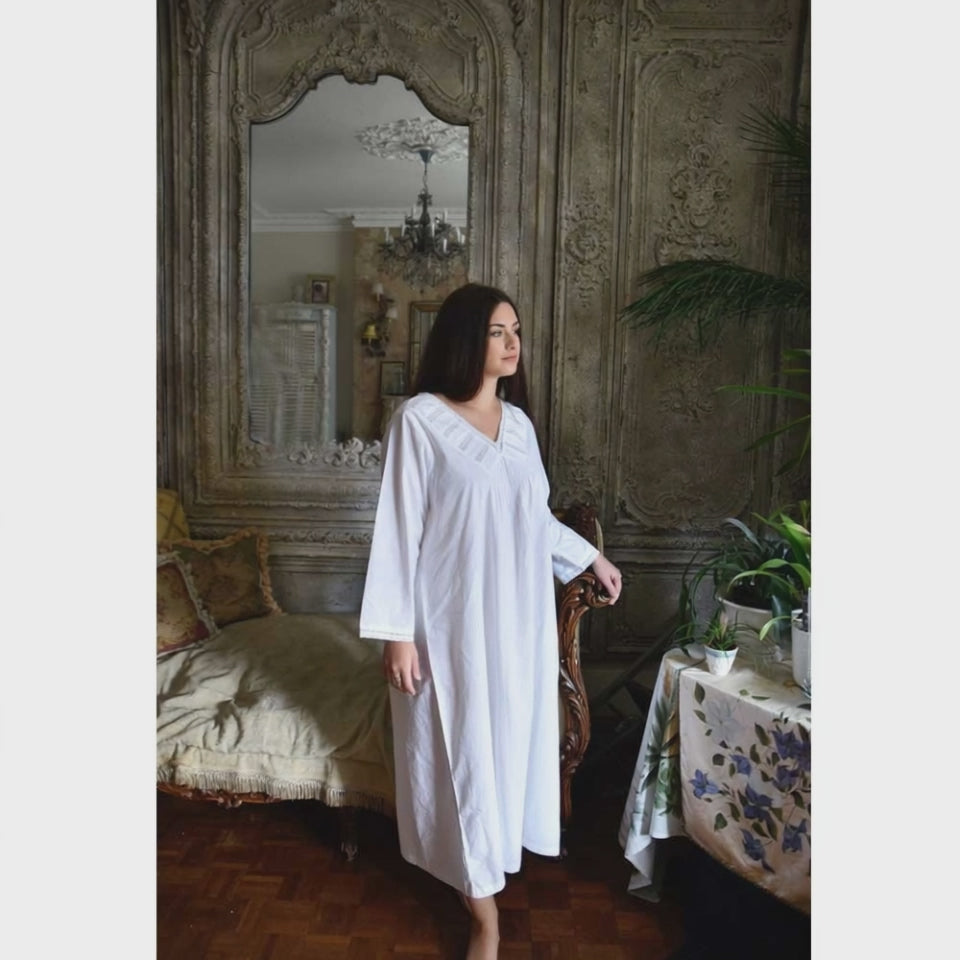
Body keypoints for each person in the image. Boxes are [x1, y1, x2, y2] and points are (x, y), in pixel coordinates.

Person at [359, 283, 622, 960]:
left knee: (504, 749)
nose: (513, 344)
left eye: (517, 331)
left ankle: (488, 872)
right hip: (448, 625)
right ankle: (484, 917)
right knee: (461, 755)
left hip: (516, 623)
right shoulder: (420, 420)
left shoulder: (519, 426)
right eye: (498, 331)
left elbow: (533, 519)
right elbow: (398, 529)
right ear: (465, 338)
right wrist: (396, 634)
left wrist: (590, 557)